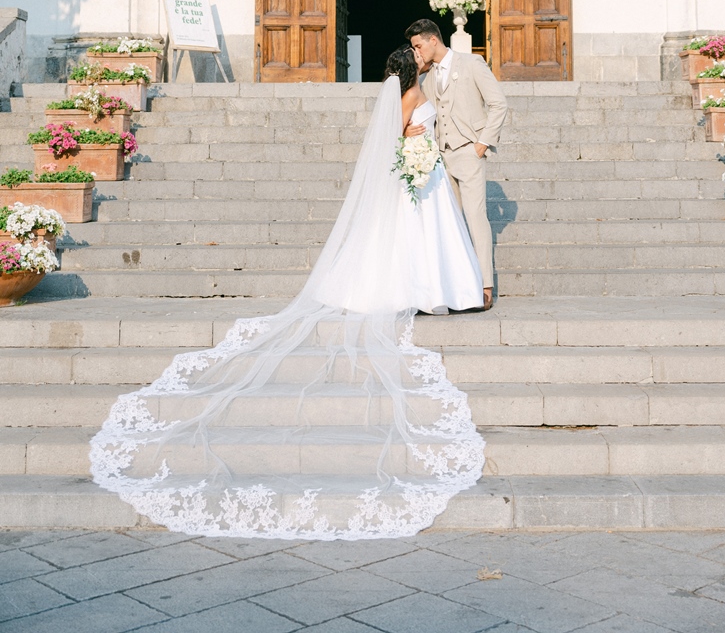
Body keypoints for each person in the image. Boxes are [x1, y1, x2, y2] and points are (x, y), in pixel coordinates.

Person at [90, 54, 484, 541]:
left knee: (432, 235)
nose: (422, 63)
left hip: (427, 177)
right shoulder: (405, 98)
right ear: (412, 70)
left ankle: (439, 286)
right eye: (417, 62)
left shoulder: (414, 91)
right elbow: (395, 138)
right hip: (415, 173)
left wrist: (422, 153)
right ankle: (423, 287)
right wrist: (415, 148)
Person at [406, 18, 508, 311]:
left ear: (433, 40)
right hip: (441, 157)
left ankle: (485, 286)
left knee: (476, 218)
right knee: (450, 223)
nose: (417, 51)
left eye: (418, 45)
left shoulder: (472, 63)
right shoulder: (427, 76)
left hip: (469, 152)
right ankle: (456, 286)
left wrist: (483, 143)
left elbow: (498, 103)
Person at [386, 44, 484, 315]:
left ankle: (450, 290)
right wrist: (406, 135)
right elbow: (391, 129)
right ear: (412, 64)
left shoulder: (422, 87)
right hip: (421, 166)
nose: (422, 54)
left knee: (440, 228)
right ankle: (422, 293)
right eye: (417, 54)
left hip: (433, 167)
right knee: (422, 227)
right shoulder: (411, 93)